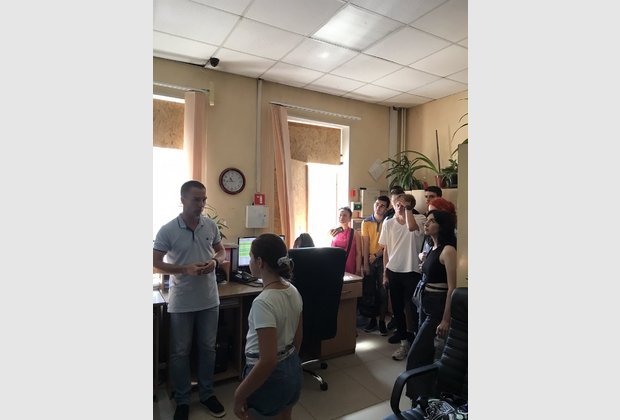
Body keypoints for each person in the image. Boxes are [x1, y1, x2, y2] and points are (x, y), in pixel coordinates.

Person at [153, 180, 227, 420]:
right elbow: (155, 262)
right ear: (182, 199)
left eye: (204, 199)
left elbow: (221, 251)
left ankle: (206, 394)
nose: (201, 204)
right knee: (180, 352)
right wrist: (184, 269)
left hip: (209, 299)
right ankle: (183, 399)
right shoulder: (167, 230)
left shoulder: (210, 226)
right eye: (196, 199)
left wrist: (215, 262)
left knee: (208, 348)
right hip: (182, 301)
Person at [233, 234, 304, 420]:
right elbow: (298, 337)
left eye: (250, 258)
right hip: (292, 368)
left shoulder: (263, 302)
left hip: (269, 377)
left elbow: (268, 360)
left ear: (260, 262)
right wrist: (289, 365)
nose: (249, 262)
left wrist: (239, 395)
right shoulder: (293, 290)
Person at [405, 210, 457, 402]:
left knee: (416, 355)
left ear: (442, 226)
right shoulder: (433, 248)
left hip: (437, 307)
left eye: (432, 221)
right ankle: (423, 399)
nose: (426, 224)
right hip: (426, 302)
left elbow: (452, 288)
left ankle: (420, 398)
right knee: (425, 354)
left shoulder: (448, 250)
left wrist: (445, 319)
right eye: (426, 221)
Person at [378, 193, 426, 361]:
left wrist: (408, 211)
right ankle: (404, 343)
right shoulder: (388, 223)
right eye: (398, 204)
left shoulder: (419, 219)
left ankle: (416, 342)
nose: (400, 207)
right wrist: (385, 273)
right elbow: (386, 250)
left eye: (404, 205)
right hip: (394, 270)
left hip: (412, 270)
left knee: (413, 308)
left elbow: (412, 228)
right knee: (397, 308)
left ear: (411, 207)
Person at [360, 195, 390, 335]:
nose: (378, 207)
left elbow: (388, 243)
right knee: (370, 291)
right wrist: (366, 263)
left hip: (384, 258)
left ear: (387, 208)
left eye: (382, 205)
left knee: (383, 291)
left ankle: (382, 321)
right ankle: (372, 320)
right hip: (370, 260)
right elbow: (365, 243)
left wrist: (376, 255)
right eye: (377, 204)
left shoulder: (389, 222)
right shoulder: (366, 222)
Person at [329, 207, 362, 276]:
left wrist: (358, 269)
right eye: (340, 215)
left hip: (350, 265)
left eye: (344, 215)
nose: (342, 217)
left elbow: (358, 253)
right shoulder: (333, 232)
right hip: (335, 265)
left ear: (349, 218)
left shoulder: (355, 233)